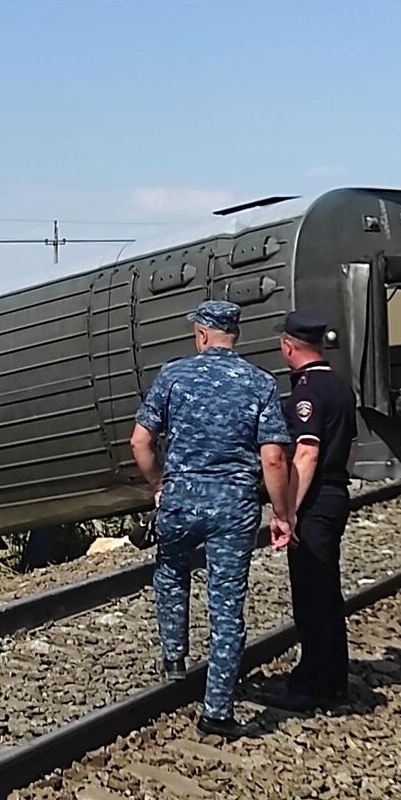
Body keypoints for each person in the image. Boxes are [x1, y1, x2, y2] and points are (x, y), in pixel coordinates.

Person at [131, 299, 293, 739]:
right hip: (233, 506)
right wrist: (282, 513)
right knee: (226, 605)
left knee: (170, 574)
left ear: (201, 334)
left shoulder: (173, 376)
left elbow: (140, 441)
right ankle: (217, 710)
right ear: (233, 334)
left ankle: (174, 657)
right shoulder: (259, 383)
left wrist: (159, 486)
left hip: (180, 499)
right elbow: (274, 458)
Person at [256, 311, 359, 713]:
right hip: (335, 492)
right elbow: (347, 446)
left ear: (288, 346)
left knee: (312, 594)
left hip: (314, 500)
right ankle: (334, 677)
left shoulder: (306, 392)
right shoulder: (339, 386)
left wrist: (287, 511)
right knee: (328, 592)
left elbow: (307, 452)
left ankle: (310, 684)